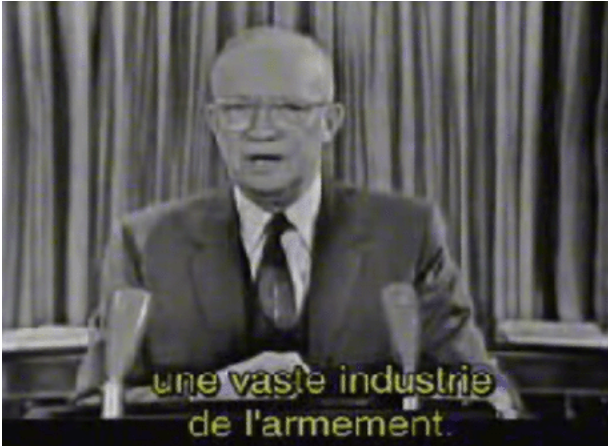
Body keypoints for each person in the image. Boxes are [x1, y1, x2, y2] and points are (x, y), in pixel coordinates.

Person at [76, 26, 521, 416]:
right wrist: (215, 391)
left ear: (330, 122)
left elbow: (485, 394)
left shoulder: (407, 233)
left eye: (289, 108)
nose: (261, 130)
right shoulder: (145, 243)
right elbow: (96, 404)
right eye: (238, 109)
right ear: (213, 122)